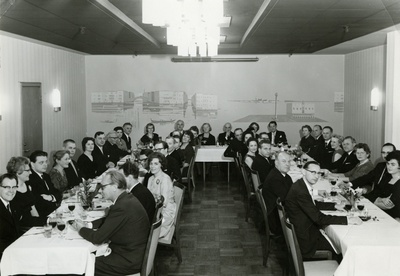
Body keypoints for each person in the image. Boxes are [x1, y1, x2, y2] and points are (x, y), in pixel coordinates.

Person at [72, 171, 149, 276]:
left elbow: (97, 238)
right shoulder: (127, 198)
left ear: (114, 186)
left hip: (128, 260)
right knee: (89, 256)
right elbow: (110, 220)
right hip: (134, 253)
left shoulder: (121, 206)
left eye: (103, 187)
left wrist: (80, 229)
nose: (100, 191)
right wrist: (88, 225)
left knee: (82, 264)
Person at [285, 161, 361, 259]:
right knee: (343, 251)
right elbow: (319, 218)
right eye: (313, 172)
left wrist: (334, 206)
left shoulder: (300, 184)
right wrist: (347, 220)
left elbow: (311, 203)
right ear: (304, 171)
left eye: (318, 173)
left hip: (303, 232)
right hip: (306, 242)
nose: (316, 176)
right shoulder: (301, 191)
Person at [7, 157, 45, 228]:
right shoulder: (11, 191)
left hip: (31, 224)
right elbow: (20, 220)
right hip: (21, 228)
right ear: (18, 172)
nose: (30, 172)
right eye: (27, 170)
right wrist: (45, 221)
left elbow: (33, 208)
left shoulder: (27, 185)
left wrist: (41, 223)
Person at [147, 152, 177, 238]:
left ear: (161, 165)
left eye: (156, 164)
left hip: (165, 211)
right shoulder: (150, 179)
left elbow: (164, 203)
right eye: (151, 163)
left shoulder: (165, 179)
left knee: (147, 230)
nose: (152, 166)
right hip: (155, 209)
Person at [262, 152, 293, 234]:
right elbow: (287, 200)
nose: (287, 164)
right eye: (284, 161)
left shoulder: (285, 176)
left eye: (289, 161)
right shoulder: (275, 179)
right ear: (276, 163)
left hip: (279, 213)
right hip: (276, 219)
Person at [367, 151, 400, 220]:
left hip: (392, 218)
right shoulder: (386, 178)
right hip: (380, 213)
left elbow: (388, 206)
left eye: (393, 164)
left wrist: (375, 200)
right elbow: (372, 194)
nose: (389, 166)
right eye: (388, 163)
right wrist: (381, 199)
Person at [27, 150, 61, 217]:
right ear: (32, 164)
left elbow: (57, 193)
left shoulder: (46, 176)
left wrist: (51, 197)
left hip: (52, 211)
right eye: (41, 162)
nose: (45, 164)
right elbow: (39, 202)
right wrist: (53, 197)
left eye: (46, 162)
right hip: (42, 215)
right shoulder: (29, 179)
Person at [0, 173, 22, 261]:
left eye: (14, 187)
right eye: (7, 187)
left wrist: (48, 220)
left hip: (13, 250)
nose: (11, 191)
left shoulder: (13, 203)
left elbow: (25, 220)